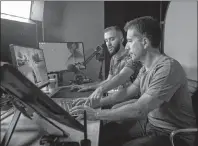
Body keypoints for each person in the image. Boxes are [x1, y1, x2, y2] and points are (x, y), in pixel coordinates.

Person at [71, 16, 196, 146]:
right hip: (150, 125)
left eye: (130, 41)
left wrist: (96, 114)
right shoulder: (145, 68)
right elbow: (127, 92)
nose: (126, 47)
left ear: (145, 42)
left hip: (174, 136)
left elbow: (139, 110)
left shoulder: (167, 68)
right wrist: (94, 103)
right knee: (103, 135)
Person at [76, 26, 142, 103]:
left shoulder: (132, 57)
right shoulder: (113, 58)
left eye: (112, 39)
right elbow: (109, 80)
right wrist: (88, 87)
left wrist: (100, 90)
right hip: (115, 99)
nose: (108, 44)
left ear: (122, 39)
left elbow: (121, 77)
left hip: (130, 101)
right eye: (106, 40)